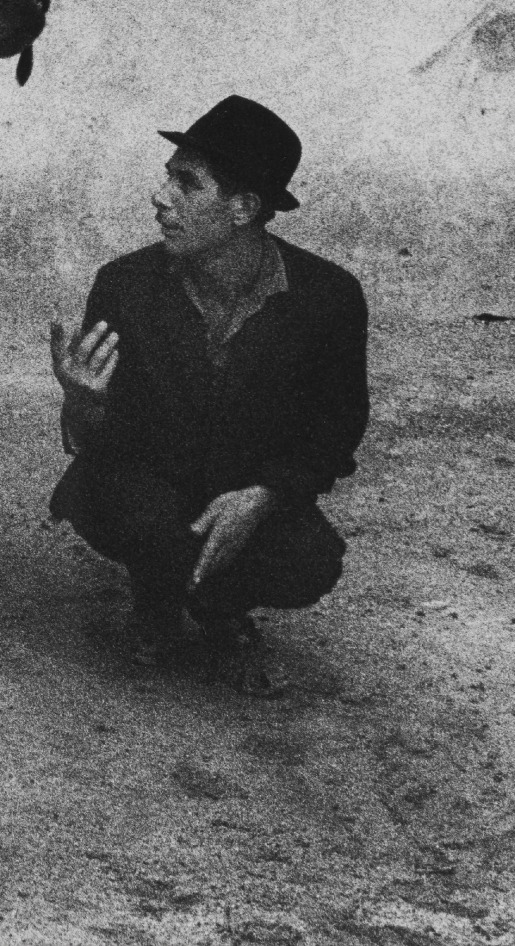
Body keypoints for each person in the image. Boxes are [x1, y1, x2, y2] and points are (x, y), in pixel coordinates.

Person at [47, 95, 368, 695]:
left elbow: (337, 426)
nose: (160, 197)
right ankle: (158, 596)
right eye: (168, 177)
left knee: (307, 562)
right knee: (130, 511)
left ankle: (222, 606)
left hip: (245, 487)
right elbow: (97, 446)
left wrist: (265, 495)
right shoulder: (126, 285)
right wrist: (82, 400)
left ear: (243, 207)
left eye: (186, 184)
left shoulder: (328, 298)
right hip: (152, 485)